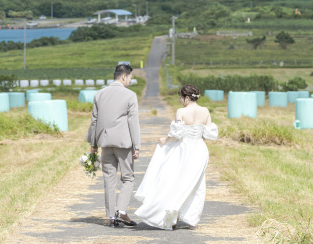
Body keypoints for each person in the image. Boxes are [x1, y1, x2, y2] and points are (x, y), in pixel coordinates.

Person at [133, 84, 218, 230]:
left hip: (184, 150)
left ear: (186, 97)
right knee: (197, 185)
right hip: (200, 150)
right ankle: (193, 221)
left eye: (181, 97)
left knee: (177, 181)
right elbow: (208, 134)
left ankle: (173, 215)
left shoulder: (181, 111)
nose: (180, 101)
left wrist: (164, 140)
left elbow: (177, 135)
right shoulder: (205, 111)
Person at [86, 62, 141, 228]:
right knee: (128, 177)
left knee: (109, 179)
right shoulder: (130, 95)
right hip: (123, 144)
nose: (130, 81)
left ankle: (111, 216)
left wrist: (93, 143)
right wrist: (136, 145)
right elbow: (133, 122)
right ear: (124, 76)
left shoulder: (99, 94)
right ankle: (122, 211)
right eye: (130, 77)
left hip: (105, 143)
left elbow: (94, 121)